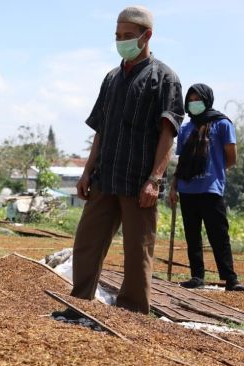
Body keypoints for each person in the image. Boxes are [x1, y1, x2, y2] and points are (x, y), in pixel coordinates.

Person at [57, 5, 184, 315]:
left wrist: (154, 180)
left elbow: (168, 135)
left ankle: (133, 313)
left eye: (128, 35)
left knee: (137, 251)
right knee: (87, 243)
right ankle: (79, 304)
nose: (121, 41)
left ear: (147, 36)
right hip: (105, 177)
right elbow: (100, 129)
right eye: (117, 35)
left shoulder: (164, 78)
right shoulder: (112, 78)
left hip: (139, 181)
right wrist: (87, 172)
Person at [169, 84, 244, 292]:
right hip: (187, 189)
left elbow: (231, 157)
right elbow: (182, 161)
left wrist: (215, 172)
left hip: (211, 189)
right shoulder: (185, 128)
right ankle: (197, 276)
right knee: (192, 235)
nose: (194, 103)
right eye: (191, 99)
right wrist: (174, 185)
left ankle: (231, 279)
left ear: (207, 100)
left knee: (219, 234)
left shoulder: (222, 124)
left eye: (198, 99)